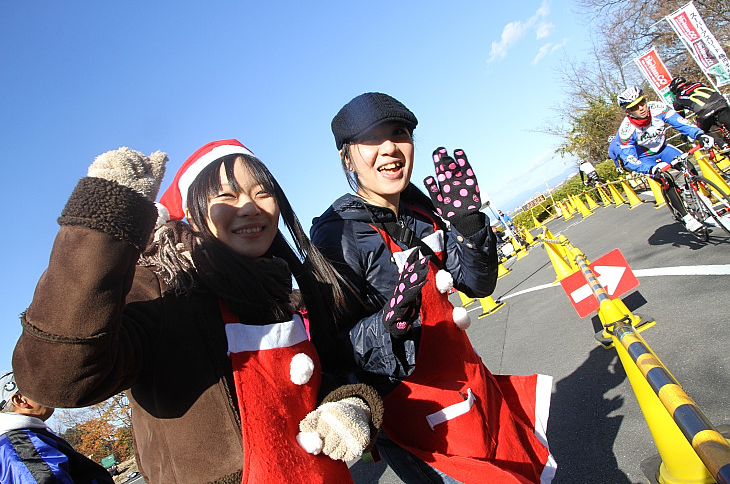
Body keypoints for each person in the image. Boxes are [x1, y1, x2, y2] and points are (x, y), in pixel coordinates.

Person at [12, 140, 384, 484]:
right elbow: (55, 379)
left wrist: (348, 404)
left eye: (262, 191)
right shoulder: (164, 287)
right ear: (192, 212)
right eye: (227, 194)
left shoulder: (285, 291)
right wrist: (104, 221)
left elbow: (317, 380)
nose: (250, 206)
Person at [311, 92, 556, 483]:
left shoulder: (422, 210)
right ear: (347, 157)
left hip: (469, 381)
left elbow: (477, 284)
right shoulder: (337, 234)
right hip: (412, 413)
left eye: (399, 132)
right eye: (371, 139)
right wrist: (386, 326)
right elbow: (331, 346)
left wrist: (470, 226)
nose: (390, 146)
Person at [615, 86, 715, 232]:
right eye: (635, 107)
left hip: (663, 149)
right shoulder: (626, 130)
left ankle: (693, 195)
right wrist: (649, 169)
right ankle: (686, 216)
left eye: (642, 102)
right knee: (665, 178)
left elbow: (681, 123)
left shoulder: (658, 108)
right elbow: (629, 158)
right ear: (628, 111)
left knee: (688, 166)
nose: (641, 108)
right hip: (645, 158)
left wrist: (700, 135)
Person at [1, 371, 114, 483]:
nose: (47, 392)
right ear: (19, 400)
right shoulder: (22, 446)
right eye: (39, 388)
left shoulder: (20, 441)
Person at [669, 76, 730, 148]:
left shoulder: (677, 99)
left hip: (705, 113)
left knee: (699, 131)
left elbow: (681, 118)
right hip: (721, 104)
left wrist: (684, 134)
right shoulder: (699, 84)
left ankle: (722, 144)